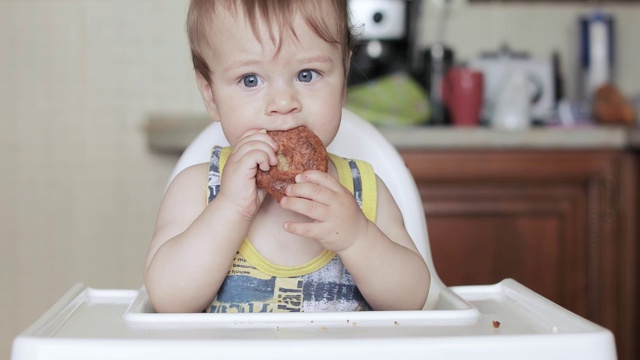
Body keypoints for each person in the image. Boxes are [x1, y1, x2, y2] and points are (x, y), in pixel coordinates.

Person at [144, 0, 430, 313]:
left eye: (307, 74)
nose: (283, 102)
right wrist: (229, 209)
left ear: (344, 78)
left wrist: (357, 238)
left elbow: (412, 300)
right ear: (211, 94)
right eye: (250, 79)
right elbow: (167, 301)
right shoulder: (197, 190)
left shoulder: (364, 191)